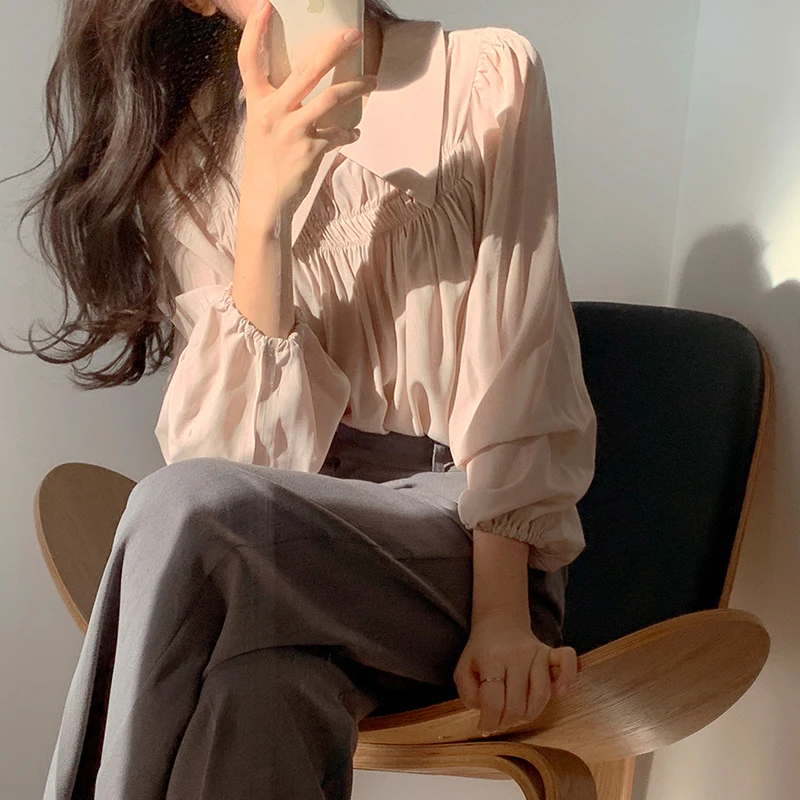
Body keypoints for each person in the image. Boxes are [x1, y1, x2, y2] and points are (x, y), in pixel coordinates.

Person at [1, 0, 597, 797]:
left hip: (473, 548)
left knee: (180, 505)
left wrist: (501, 617)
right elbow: (240, 462)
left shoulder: (484, 75)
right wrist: (265, 215)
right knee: (254, 695)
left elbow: (518, 358)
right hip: (286, 550)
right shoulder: (190, 164)